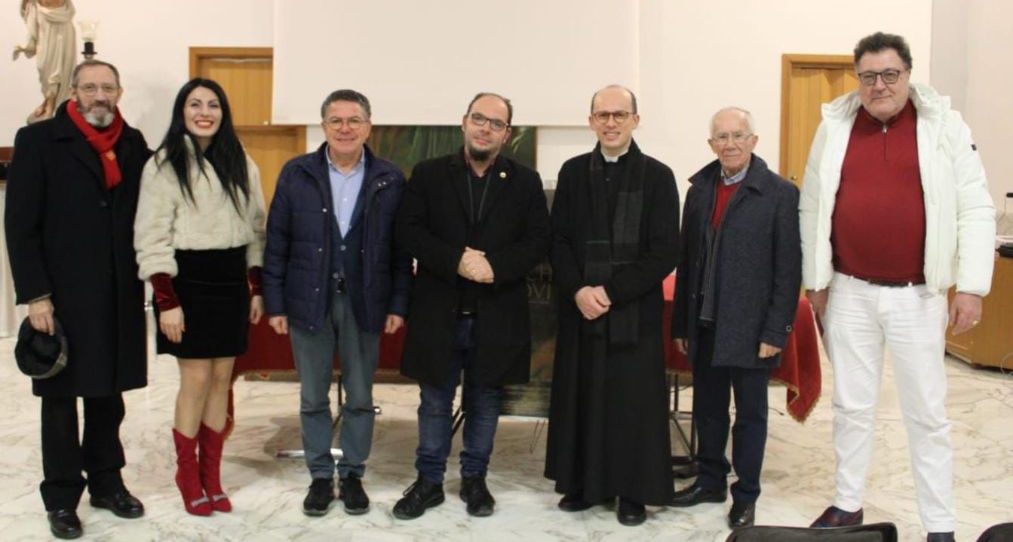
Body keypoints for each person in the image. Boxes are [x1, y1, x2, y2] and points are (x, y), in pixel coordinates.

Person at [801, 32, 995, 542]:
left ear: (908, 75)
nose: (879, 85)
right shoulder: (835, 126)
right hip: (849, 292)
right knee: (851, 406)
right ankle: (847, 504)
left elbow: (975, 206)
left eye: (890, 74)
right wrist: (816, 281)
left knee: (926, 413)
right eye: (868, 76)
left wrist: (971, 286)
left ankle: (940, 524)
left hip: (918, 295)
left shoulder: (944, 125)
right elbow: (813, 205)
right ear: (857, 79)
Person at [5, 59, 149, 540]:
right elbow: (20, 226)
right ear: (74, 92)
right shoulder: (39, 141)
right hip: (62, 295)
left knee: (109, 395)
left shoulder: (133, 143)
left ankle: (107, 482)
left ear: (119, 92)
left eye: (107, 87)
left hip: (117, 292)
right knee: (60, 401)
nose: (99, 95)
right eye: (90, 87)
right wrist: (35, 295)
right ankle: (62, 497)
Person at [392, 92, 550, 520]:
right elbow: (408, 230)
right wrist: (456, 260)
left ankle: (474, 479)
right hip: (439, 310)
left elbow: (538, 240)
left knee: (485, 401)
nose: (485, 128)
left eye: (496, 123)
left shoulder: (525, 181)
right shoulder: (429, 174)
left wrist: (494, 266)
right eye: (479, 119)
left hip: (496, 312)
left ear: (507, 134)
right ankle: (428, 481)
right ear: (464, 122)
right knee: (434, 401)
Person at [263, 89, 411, 517]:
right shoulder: (297, 174)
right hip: (309, 300)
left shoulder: (389, 178)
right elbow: (277, 242)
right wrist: (276, 304)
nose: (345, 128)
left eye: (354, 120)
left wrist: (398, 304)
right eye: (336, 120)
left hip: (365, 302)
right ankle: (319, 476)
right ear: (324, 126)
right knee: (312, 395)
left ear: (368, 126)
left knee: (360, 396)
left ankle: (352, 475)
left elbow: (400, 251)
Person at [544, 85, 679, 526]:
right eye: (602, 115)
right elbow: (558, 240)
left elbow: (664, 251)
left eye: (620, 114)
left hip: (631, 311)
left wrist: (611, 293)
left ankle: (632, 490)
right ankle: (584, 484)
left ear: (636, 120)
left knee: (630, 404)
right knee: (582, 397)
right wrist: (578, 290)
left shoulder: (658, 176)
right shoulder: (572, 172)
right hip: (581, 308)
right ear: (591, 121)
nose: (611, 122)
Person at [134, 78, 266, 516]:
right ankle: (187, 475)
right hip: (186, 283)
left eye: (213, 105)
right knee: (194, 380)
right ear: (182, 112)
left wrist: (256, 286)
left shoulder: (240, 161)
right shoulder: (163, 164)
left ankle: (212, 474)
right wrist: (166, 300)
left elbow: (256, 227)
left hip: (230, 282)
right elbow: (151, 236)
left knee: (221, 379)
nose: (204, 112)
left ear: (223, 113)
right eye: (195, 104)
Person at [669, 107, 801, 528]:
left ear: (753, 141)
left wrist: (775, 331)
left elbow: (788, 271)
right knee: (708, 409)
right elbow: (686, 262)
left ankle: (746, 494)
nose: (730, 144)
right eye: (721, 137)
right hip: (705, 323)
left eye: (738, 136)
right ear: (711, 144)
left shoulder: (779, 193)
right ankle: (709, 481)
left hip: (751, 327)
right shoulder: (700, 190)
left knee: (750, 416)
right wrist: (682, 323)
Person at [13, 0, 77, 122]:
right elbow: (30, 21)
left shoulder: (63, 7)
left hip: (63, 33)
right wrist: (26, 47)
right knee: (44, 69)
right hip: (45, 38)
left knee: (60, 72)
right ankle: (47, 103)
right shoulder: (35, 6)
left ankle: (50, 107)